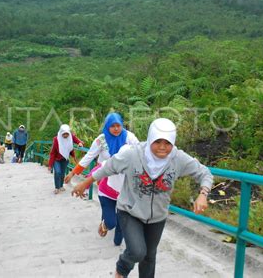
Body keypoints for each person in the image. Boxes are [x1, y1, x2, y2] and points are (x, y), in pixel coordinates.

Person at [72, 118, 213, 278]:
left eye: (167, 143)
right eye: (157, 141)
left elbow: (204, 173)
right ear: (150, 138)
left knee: (149, 256)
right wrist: (86, 182)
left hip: (157, 217)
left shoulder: (178, 158)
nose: (162, 147)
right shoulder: (133, 154)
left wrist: (203, 194)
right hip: (130, 212)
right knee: (137, 251)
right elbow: (109, 167)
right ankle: (120, 271)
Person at [65, 113, 138, 246]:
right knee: (111, 220)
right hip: (105, 178)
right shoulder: (101, 140)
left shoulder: (129, 137)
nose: (116, 129)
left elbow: (140, 152)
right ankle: (107, 223)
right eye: (112, 126)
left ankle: (115, 230)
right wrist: (72, 173)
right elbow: (88, 157)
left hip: (125, 181)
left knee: (121, 223)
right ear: (107, 126)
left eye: (118, 126)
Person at [48, 124, 83, 194]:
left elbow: (76, 140)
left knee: (62, 173)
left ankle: (61, 186)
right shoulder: (56, 139)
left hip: (65, 159)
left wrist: (79, 143)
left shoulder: (70, 136)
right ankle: (57, 187)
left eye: (67, 134)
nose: (65, 136)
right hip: (56, 159)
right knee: (57, 172)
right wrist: (50, 165)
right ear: (61, 133)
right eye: (64, 134)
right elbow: (53, 153)